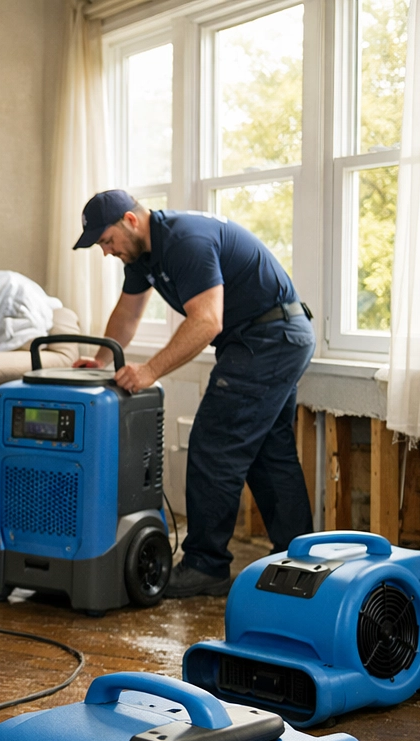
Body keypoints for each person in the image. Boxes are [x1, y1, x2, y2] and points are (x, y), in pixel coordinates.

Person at [72, 189, 315, 598]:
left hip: (268, 336)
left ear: (131, 221)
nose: (106, 251)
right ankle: (301, 562)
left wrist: (149, 370)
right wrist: (100, 360)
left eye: (107, 240)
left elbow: (206, 321)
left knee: (213, 445)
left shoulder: (186, 240)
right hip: (269, 337)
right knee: (268, 451)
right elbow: (128, 313)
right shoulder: (143, 255)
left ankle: (207, 566)